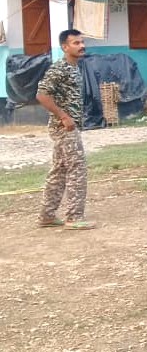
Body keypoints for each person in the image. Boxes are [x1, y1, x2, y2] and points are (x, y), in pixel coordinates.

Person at [35, 29, 95, 230]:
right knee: (77, 168)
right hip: (64, 128)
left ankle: (47, 215)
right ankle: (74, 217)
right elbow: (42, 95)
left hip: (68, 126)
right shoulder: (59, 68)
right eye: (76, 43)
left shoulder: (74, 67)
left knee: (59, 171)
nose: (81, 46)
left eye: (82, 42)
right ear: (65, 47)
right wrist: (64, 116)